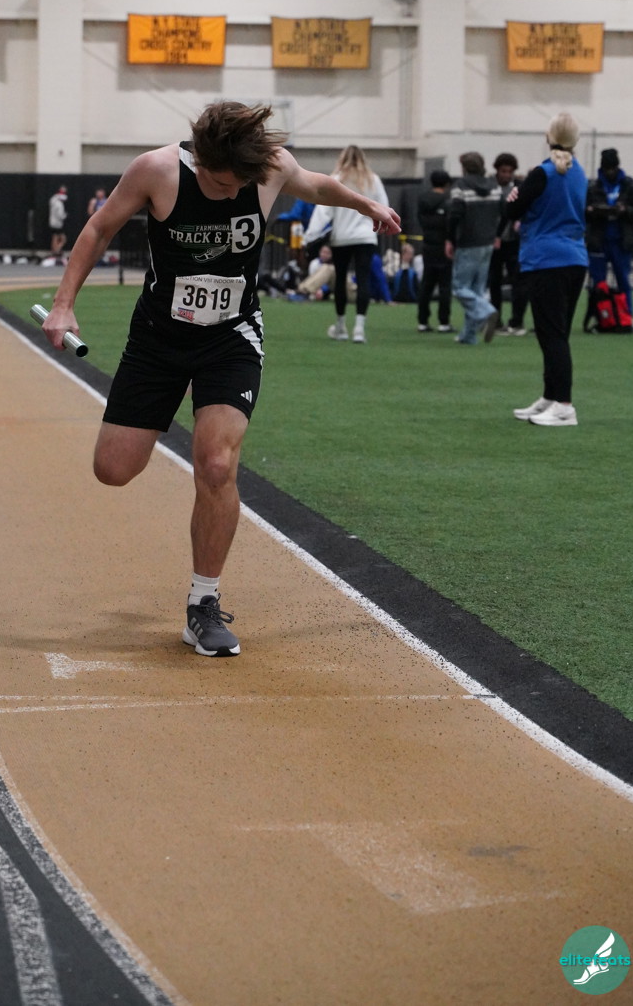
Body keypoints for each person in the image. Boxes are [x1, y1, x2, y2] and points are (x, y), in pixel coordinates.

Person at [42, 102, 400, 657]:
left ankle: (202, 604)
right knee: (113, 469)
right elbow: (99, 228)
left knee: (215, 463)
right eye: (223, 184)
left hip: (231, 337)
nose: (234, 194)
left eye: (242, 186)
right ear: (200, 160)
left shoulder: (268, 166)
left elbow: (315, 185)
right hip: (159, 339)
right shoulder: (156, 170)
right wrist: (64, 304)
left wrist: (366, 203)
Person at [507, 113, 589, 426]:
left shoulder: (542, 173)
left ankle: (564, 405)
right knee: (556, 333)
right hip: (575, 258)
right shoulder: (580, 173)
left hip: (545, 259)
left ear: (548, 137)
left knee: (551, 334)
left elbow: (513, 210)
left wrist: (513, 196)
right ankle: (551, 396)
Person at [304, 145, 390, 343]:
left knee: (341, 279)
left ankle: (341, 325)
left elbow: (323, 211)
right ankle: (359, 328)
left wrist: (310, 236)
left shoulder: (336, 179)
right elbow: (383, 206)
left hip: (341, 237)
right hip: (366, 237)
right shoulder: (373, 180)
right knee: (363, 279)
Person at [585, 148, 633, 334]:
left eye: (612, 168)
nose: (610, 172)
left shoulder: (630, 186)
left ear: (617, 167)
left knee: (623, 281)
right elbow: (584, 212)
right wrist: (593, 211)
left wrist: (625, 210)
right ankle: (602, 320)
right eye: (607, 169)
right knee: (599, 285)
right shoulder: (594, 187)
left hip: (620, 242)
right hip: (599, 242)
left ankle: (628, 319)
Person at [446, 152, 501, 345]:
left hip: (468, 242)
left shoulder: (460, 186)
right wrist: (496, 234)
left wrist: (450, 239)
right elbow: (502, 211)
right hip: (488, 242)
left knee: (459, 288)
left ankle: (486, 311)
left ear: (464, 167)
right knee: (477, 290)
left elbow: (455, 214)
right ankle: (468, 335)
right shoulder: (494, 185)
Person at [489, 152, 529, 336]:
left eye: (509, 172)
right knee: (494, 282)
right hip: (494, 242)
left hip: (514, 241)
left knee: (518, 282)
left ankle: (517, 321)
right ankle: (496, 321)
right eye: (503, 171)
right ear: (497, 170)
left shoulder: (519, 187)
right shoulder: (490, 187)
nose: (506, 175)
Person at [416, 170, 455, 333]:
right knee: (445, 285)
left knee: (427, 284)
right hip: (444, 246)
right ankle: (444, 322)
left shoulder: (423, 199)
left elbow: (420, 219)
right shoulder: (448, 200)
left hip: (428, 244)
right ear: (447, 183)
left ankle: (422, 321)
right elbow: (451, 223)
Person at [48, 185, 68, 258]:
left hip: (52, 223)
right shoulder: (59, 204)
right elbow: (60, 215)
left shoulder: (53, 201)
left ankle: (54, 251)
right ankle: (56, 251)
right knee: (63, 239)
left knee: (55, 237)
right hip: (57, 224)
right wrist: (65, 215)